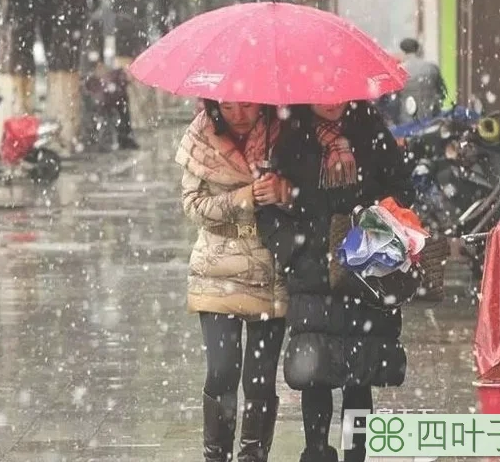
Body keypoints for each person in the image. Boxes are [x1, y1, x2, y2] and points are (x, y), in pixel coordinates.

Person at [256, 101, 415, 462]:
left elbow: (403, 192)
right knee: (316, 370)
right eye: (322, 93)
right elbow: (267, 211)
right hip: (312, 272)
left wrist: (377, 222)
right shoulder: (290, 140)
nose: (330, 101)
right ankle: (315, 451)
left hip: (365, 269)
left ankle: (355, 453)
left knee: (361, 373)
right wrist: (294, 251)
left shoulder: (374, 136)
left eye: (338, 92)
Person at [176, 99, 292, 462]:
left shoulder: (284, 131)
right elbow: (193, 206)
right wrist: (242, 198)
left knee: (259, 380)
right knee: (222, 371)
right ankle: (216, 455)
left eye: (247, 105)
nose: (239, 115)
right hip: (216, 269)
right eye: (228, 107)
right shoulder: (201, 133)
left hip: (269, 269)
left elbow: (312, 196)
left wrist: (284, 193)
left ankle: (254, 455)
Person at [396, 38, 447, 124]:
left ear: (402, 52)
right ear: (417, 50)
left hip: (407, 123)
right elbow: (443, 93)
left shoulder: (398, 71)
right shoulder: (431, 67)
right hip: (431, 120)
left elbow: (394, 101)